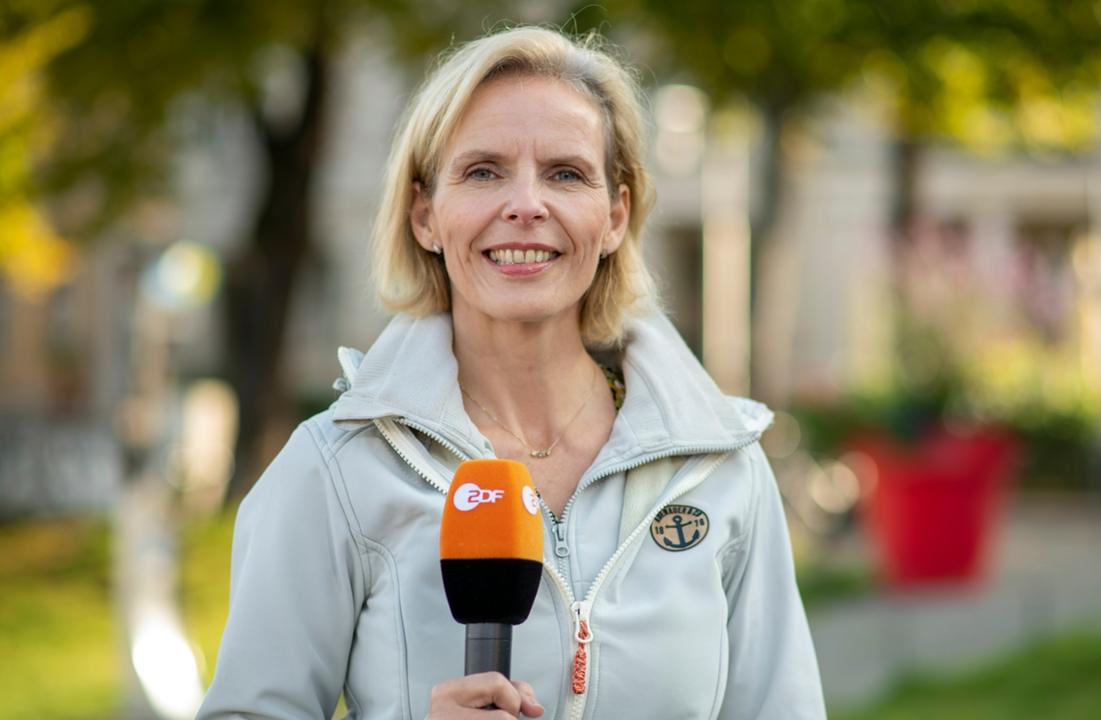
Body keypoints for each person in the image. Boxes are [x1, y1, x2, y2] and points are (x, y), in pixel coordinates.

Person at [198, 26, 825, 720]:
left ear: (616, 215)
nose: (526, 204)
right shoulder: (335, 471)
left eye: (565, 173)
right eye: (484, 171)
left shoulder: (721, 470)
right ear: (425, 215)